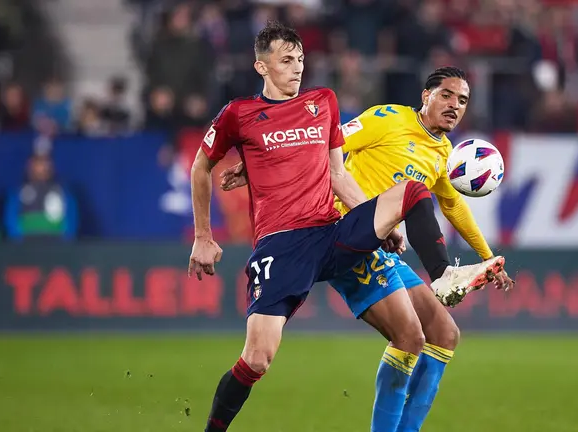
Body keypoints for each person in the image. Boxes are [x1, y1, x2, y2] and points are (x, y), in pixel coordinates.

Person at [220, 66, 515, 431]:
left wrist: (487, 257)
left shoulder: (444, 153)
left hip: (382, 246)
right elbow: (324, 145)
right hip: (343, 230)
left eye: (463, 100)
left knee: (444, 334)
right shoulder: (387, 119)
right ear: (426, 96)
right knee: (409, 338)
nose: (455, 105)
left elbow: (454, 206)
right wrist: (255, 166)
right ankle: (442, 275)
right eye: (447, 95)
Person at [189, 21, 451, 431]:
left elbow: (338, 175)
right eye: (286, 60)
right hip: (282, 246)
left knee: (413, 192)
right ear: (262, 67)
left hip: (332, 232)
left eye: (300, 59)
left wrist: (383, 223)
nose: (297, 67)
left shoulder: (323, 101)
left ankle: (444, 275)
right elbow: (201, 166)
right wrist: (203, 236)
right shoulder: (239, 114)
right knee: (257, 359)